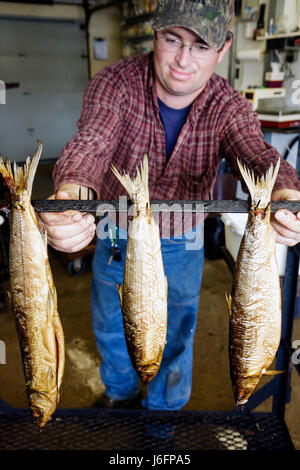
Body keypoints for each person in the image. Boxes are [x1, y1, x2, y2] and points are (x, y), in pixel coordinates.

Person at [38, 0, 300, 410]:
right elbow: (92, 141)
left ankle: (165, 413)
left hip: (185, 235)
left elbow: (255, 151)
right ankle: (120, 394)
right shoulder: (116, 83)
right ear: (155, 36)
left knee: (178, 330)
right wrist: (72, 194)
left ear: (223, 49)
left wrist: (285, 191)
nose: (183, 60)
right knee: (111, 322)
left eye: (199, 46)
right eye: (173, 40)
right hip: (115, 230)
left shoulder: (228, 104)